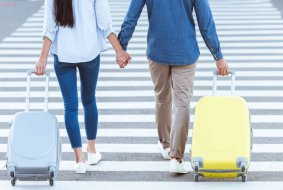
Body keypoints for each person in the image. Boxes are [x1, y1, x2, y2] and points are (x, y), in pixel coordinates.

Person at [117, 0, 229, 173]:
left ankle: (165, 144)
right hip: (186, 51)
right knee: (182, 103)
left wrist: (121, 47)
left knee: (162, 98)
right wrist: (218, 55)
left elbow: (131, 17)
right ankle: (176, 157)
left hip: (157, 51)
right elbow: (205, 21)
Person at [35, 0, 131, 174]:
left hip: (63, 56)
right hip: (89, 54)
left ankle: (79, 159)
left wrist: (42, 58)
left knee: (70, 107)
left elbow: (50, 28)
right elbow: (105, 24)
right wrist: (119, 51)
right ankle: (92, 151)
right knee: (88, 100)